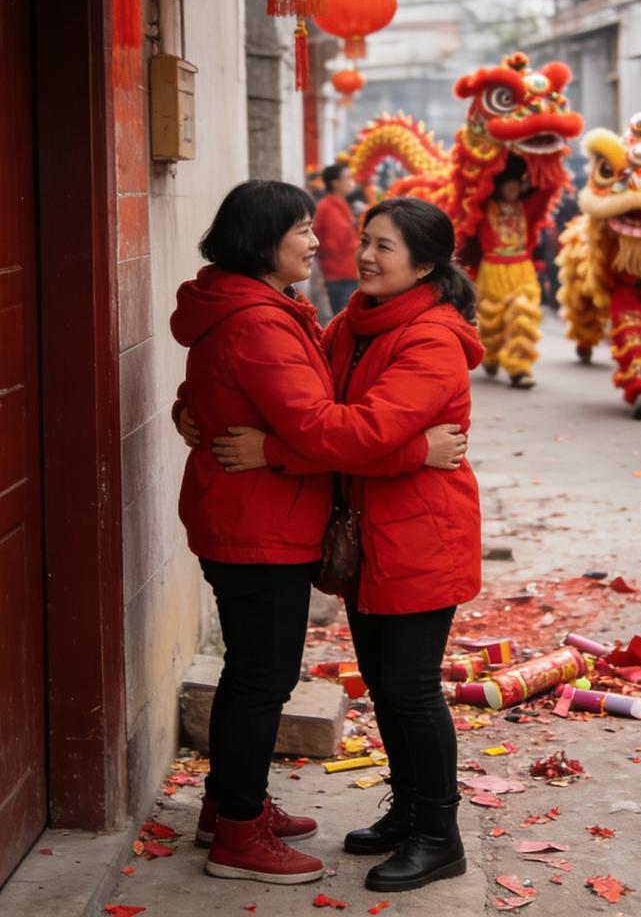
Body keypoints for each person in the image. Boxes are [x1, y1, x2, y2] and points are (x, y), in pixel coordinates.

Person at [170, 181, 467, 885]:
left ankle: (438, 831)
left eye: (379, 246)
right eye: (355, 238)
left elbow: (353, 431)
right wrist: (198, 410)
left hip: (415, 532)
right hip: (355, 533)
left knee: (411, 688)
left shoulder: (427, 338)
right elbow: (275, 394)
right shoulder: (346, 325)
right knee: (366, 684)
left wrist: (272, 449)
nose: (350, 252)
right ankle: (399, 813)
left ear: (423, 268)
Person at [471, 158, 546, 388]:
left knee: (523, 313)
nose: (513, 189)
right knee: (491, 322)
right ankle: (491, 355)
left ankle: (519, 368)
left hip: (522, 269)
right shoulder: (483, 208)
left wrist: (544, 159)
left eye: (516, 185)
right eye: (508, 185)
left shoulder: (527, 207)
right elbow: (472, 190)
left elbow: (546, 189)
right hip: (492, 270)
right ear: (499, 186)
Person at [314, 162, 361, 314]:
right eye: (347, 178)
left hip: (349, 271)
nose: (351, 181)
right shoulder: (326, 207)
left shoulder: (342, 204)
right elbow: (329, 244)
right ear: (335, 183)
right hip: (338, 275)